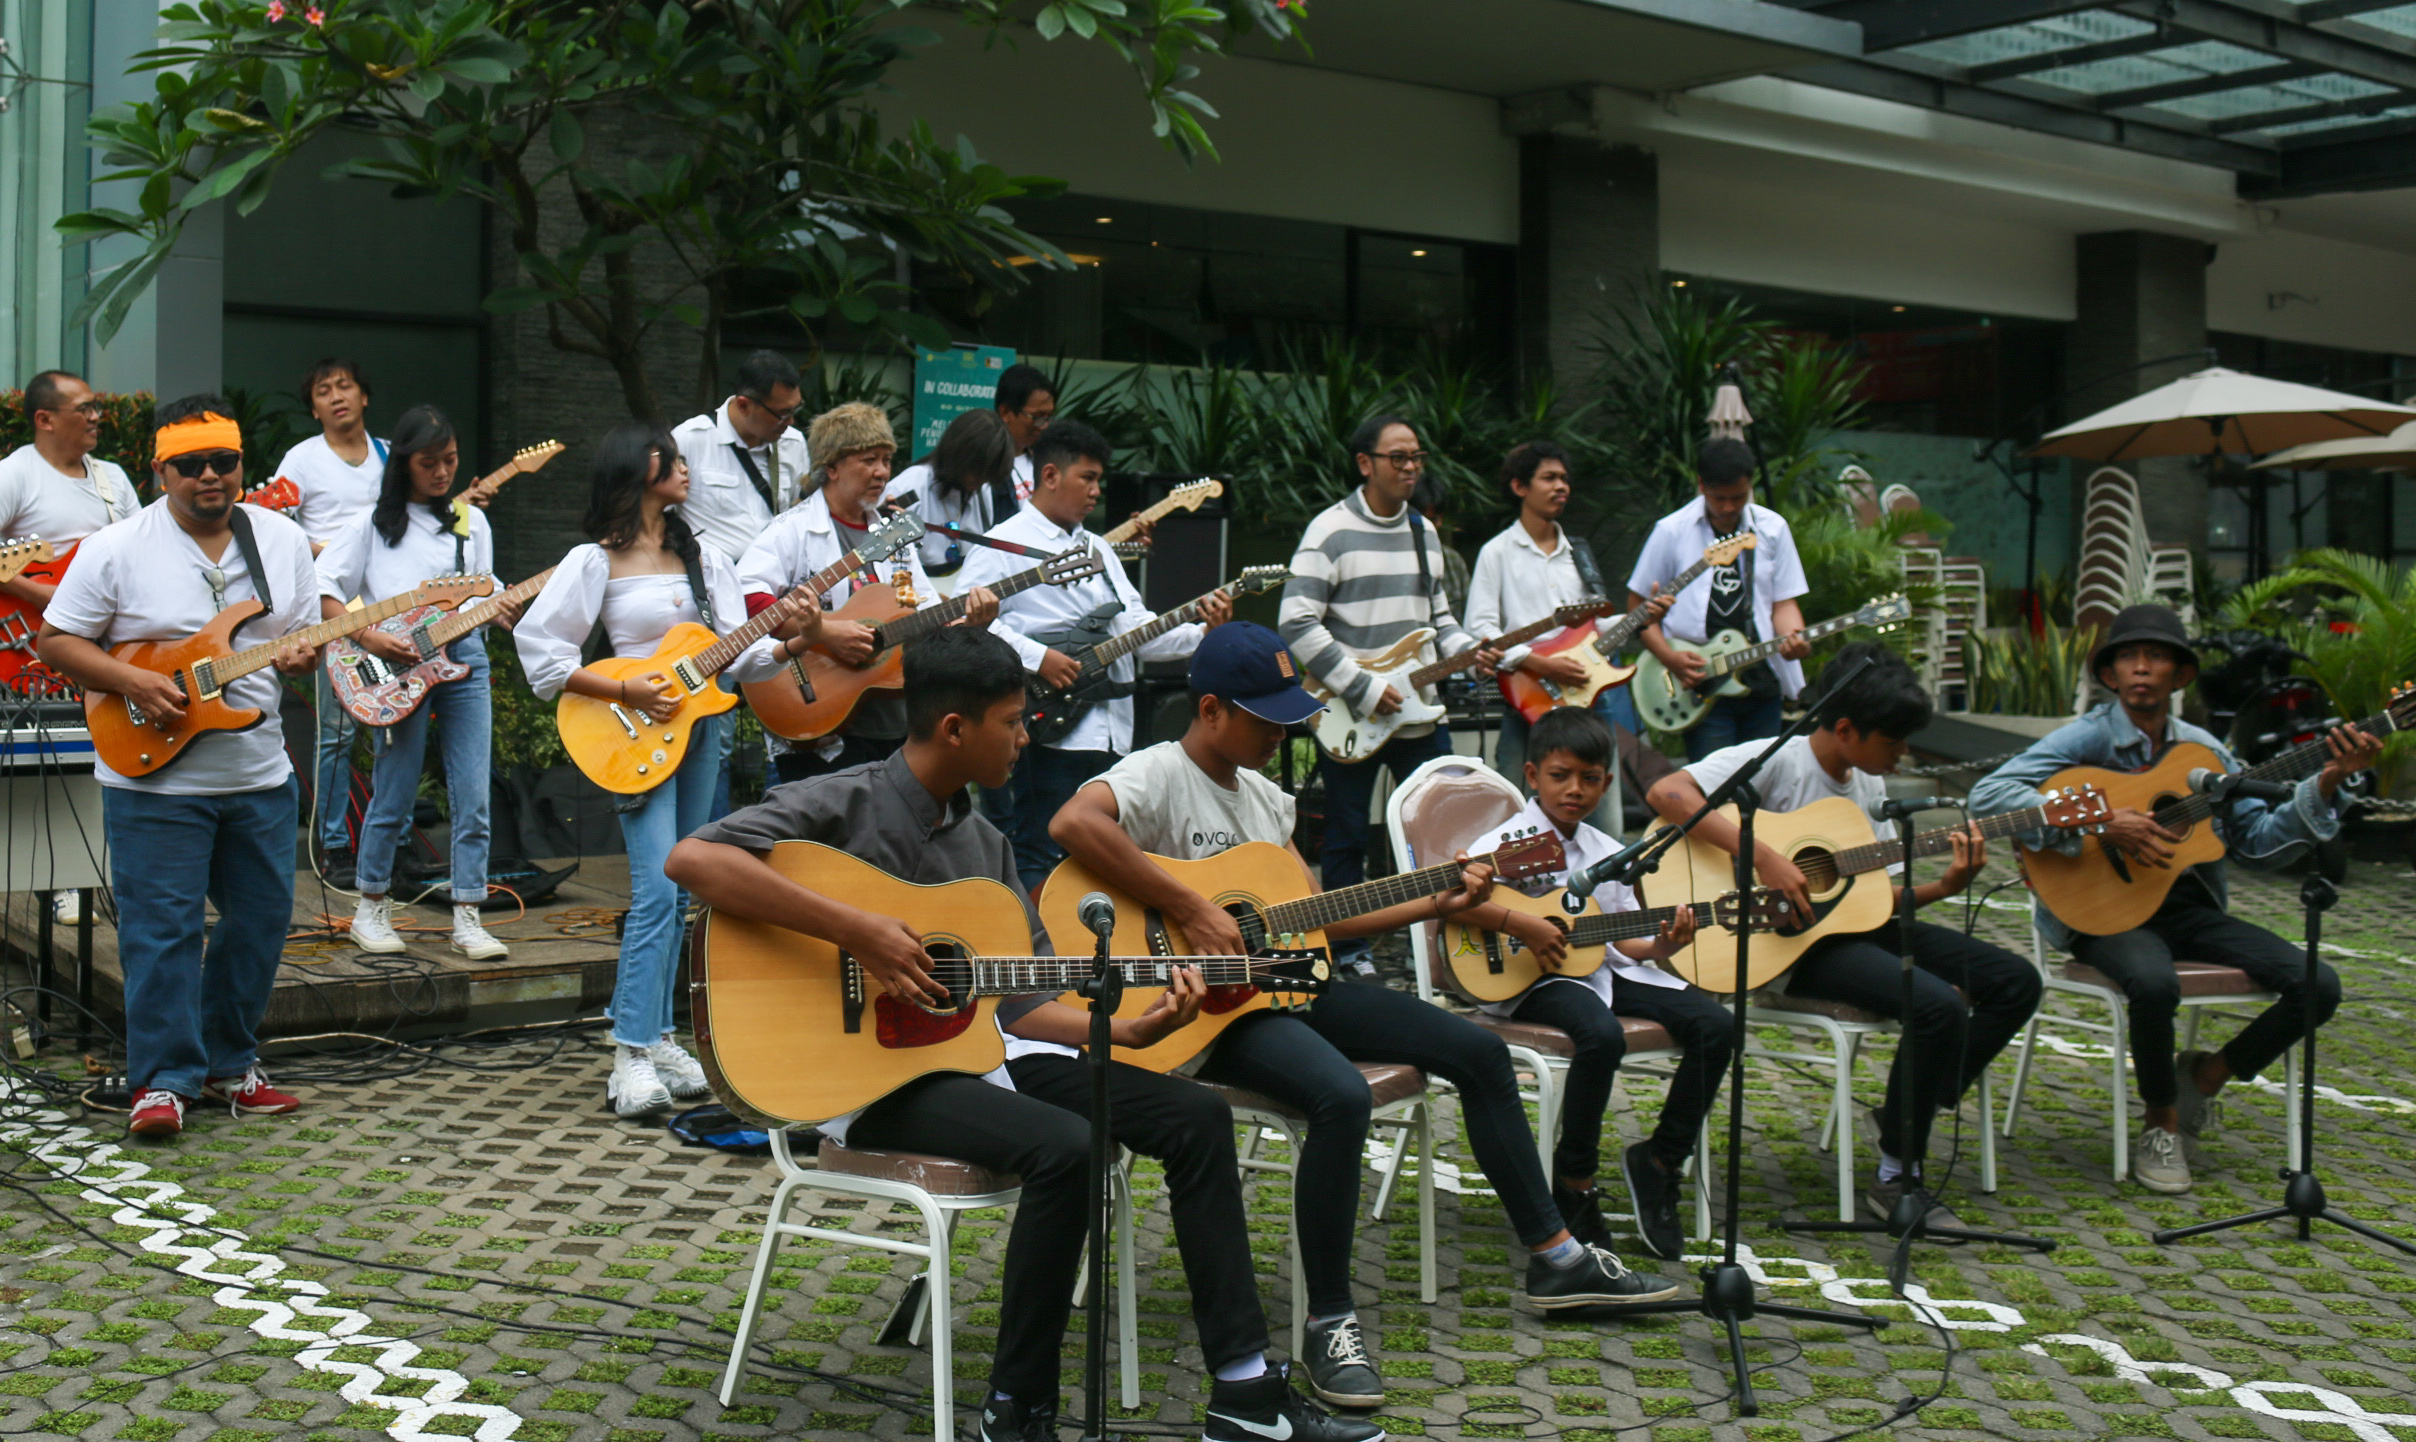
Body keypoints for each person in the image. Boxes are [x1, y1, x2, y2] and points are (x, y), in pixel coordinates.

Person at [666, 625, 1379, 1442]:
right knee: (1070, 1149)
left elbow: (1021, 1007)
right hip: (860, 1078)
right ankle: (1018, 1410)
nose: (1026, 735)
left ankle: (1245, 1394)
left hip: (973, 1061)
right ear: (955, 729)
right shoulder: (844, 800)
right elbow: (693, 860)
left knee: (1196, 1118)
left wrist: (1135, 1033)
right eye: (1013, 720)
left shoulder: (988, 844)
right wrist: (858, 930)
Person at [1049, 622, 1679, 1409]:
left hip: (1285, 984)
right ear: (1211, 709)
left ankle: (1557, 1253)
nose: (1284, 734)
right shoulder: (1157, 774)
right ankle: (1329, 1318)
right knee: (1339, 1096)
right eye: (1265, 718)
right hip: (1202, 1011)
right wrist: (1192, 910)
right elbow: (1073, 825)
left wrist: (1432, 901)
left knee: (1478, 1054)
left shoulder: (1267, 799)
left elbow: (1311, 919)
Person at [1968, 605, 2373, 1195]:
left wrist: (2330, 781)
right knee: (2156, 985)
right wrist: (2099, 824)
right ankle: (2161, 1122)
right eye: (2128, 657)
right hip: (2099, 911)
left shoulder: (2204, 752)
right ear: (2109, 675)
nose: (2141, 669)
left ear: (2179, 675)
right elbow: (1989, 796)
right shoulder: (2090, 735)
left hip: (2186, 908)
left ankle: (2204, 1077)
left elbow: (2258, 842)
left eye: (2156, 657)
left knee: (2319, 984)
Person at [1644, 642, 2041, 1224]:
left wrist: (1947, 887)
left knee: (2015, 981)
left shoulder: (1868, 789)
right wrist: (1763, 857)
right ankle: (1895, 1175)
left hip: (1855, 932)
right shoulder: (1777, 758)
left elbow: (1879, 902)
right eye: (1894, 740)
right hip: (1784, 946)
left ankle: (1911, 1102)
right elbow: (1667, 794)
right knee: (1937, 1007)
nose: (1903, 755)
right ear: (1848, 728)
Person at [36, 397, 323, 1137]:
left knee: (259, 923)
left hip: (257, 771)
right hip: (152, 777)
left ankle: (229, 1062)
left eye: (222, 462)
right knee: (160, 931)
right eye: (189, 465)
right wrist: (134, 681)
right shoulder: (118, 545)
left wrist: (302, 653)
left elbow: (295, 638)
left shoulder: (282, 542)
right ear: (159, 469)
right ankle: (162, 1079)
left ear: (239, 466)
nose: (209, 477)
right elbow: (57, 641)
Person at [515, 423, 791, 1118]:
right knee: (657, 891)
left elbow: (744, 657)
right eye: (672, 459)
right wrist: (626, 691)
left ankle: (662, 1036)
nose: (686, 469)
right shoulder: (593, 561)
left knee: (691, 887)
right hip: (631, 736)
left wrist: (796, 634)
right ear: (640, 469)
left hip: (703, 732)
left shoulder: (703, 560)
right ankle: (628, 1054)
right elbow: (543, 653)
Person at [1469, 705, 1731, 1263]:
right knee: (1601, 1036)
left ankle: (1661, 1159)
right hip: (1529, 978)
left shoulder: (1610, 853)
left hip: (1602, 967)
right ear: (1532, 775)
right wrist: (1526, 926)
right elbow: (1460, 901)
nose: (1575, 791)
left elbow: (1628, 943)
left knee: (1716, 1024)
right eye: (1561, 776)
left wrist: (1667, 944)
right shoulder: (1506, 843)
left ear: (1607, 784)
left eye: (1590, 780)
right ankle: (1575, 1179)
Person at [962, 418, 1226, 894]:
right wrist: (1038, 656)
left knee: (1105, 857)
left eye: (1099, 480)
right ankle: (1036, 961)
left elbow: (1135, 629)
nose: (1097, 492)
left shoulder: (1097, 547)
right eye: (1088, 478)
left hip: (1113, 728)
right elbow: (963, 619)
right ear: (1050, 476)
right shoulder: (1004, 541)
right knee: (1042, 850)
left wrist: (1203, 632)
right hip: (1051, 726)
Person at [1279, 416, 1494, 973]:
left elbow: (1439, 619)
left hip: (1420, 715)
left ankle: (1449, 946)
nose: (1409, 468)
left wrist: (1470, 649)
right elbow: (1296, 622)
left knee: (1444, 825)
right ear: (1364, 463)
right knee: (1347, 834)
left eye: (1416, 457)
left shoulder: (1424, 531)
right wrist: (1363, 686)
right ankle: (1350, 950)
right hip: (1353, 714)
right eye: (1398, 457)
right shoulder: (1328, 531)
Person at [315, 406, 519, 963]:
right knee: (394, 791)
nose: (442, 473)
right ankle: (370, 905)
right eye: (429, 463)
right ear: (404, 464)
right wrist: (373, 639)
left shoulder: (469, 522)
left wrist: (502, 609)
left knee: (473, 792)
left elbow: (482, 591)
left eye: (450, 460)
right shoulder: (372, 525)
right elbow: (325, 590)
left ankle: (469, 914)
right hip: (393, 663)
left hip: (464, 660)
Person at [739, 402, 996, 784]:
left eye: (887, 460)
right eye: (869, 459)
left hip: (894, 719)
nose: (882, 472)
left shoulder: (893, 535)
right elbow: (747, 600)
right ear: (832, 467)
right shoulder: (792, 530)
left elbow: (918, 608)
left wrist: (967, 622)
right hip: (819, 714)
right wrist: (823, 632)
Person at [1466, 441, 1668, 820]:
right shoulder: (1497, 553)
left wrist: (1641, 616)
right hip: (1528, 699)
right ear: (1519, 487)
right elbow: (1480, 630)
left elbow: (1595, 629)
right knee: (1513, 812)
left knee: (1604, 817)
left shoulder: (1580, 553)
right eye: (1549, 478)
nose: (1562, 486)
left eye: (1564, 478)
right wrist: (1541, 664)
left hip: (1590, 700)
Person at [1625, 437, 1811, 761]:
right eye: (1717, 498)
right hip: (1701, 680)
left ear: (1750, 485)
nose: (1727, 507)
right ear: (1701, 485)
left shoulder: (1772, 529)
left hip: (1760, 675)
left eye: (1738, 498)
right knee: (1713, 787)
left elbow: (1783, 604)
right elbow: (1637, 606)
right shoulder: (1671, 531)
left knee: (1762, 779)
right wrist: (1669, 658)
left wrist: (1794, 637)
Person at [275, 358, 389, 876]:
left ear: (365, 396)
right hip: (332, 603)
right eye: (324, 390)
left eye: (346, 386)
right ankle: (333, 842)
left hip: (389, 606)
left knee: (395, 724)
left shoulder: (390, 454)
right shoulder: (300, 460)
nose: (337, 395)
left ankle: (391, 838)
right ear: (314, 406)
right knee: (337, 730)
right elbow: (275, 528)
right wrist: (332, 549)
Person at [0, 370, 142, 610]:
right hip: (27, 630)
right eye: (84, 409)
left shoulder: (113, 476)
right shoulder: (13, 474)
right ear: (45, 420)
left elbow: (142, 550)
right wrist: (39, 594)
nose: (95, 417)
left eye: (96, 407)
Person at [670, 348, 812, 565]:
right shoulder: (689, 440)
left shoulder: (793, 443)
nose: (791, 422)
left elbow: (798, 513)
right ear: (744, 405)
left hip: (773, 580)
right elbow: (657, 515)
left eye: (795, 410)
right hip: (712, 579)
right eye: (783, 413)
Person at [881, 407, 1019, 582]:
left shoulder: (983, 491)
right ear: (959, 456)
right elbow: (881, 563)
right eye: (978, 472)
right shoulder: (909, 488)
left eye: (987, 476)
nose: (981, 481)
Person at [994, 363, 1054, 505]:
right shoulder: (983, 468)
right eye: (1037, 417)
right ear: (1006, 413)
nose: (1044, 425)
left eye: (1048, 417)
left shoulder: (1049, 461)